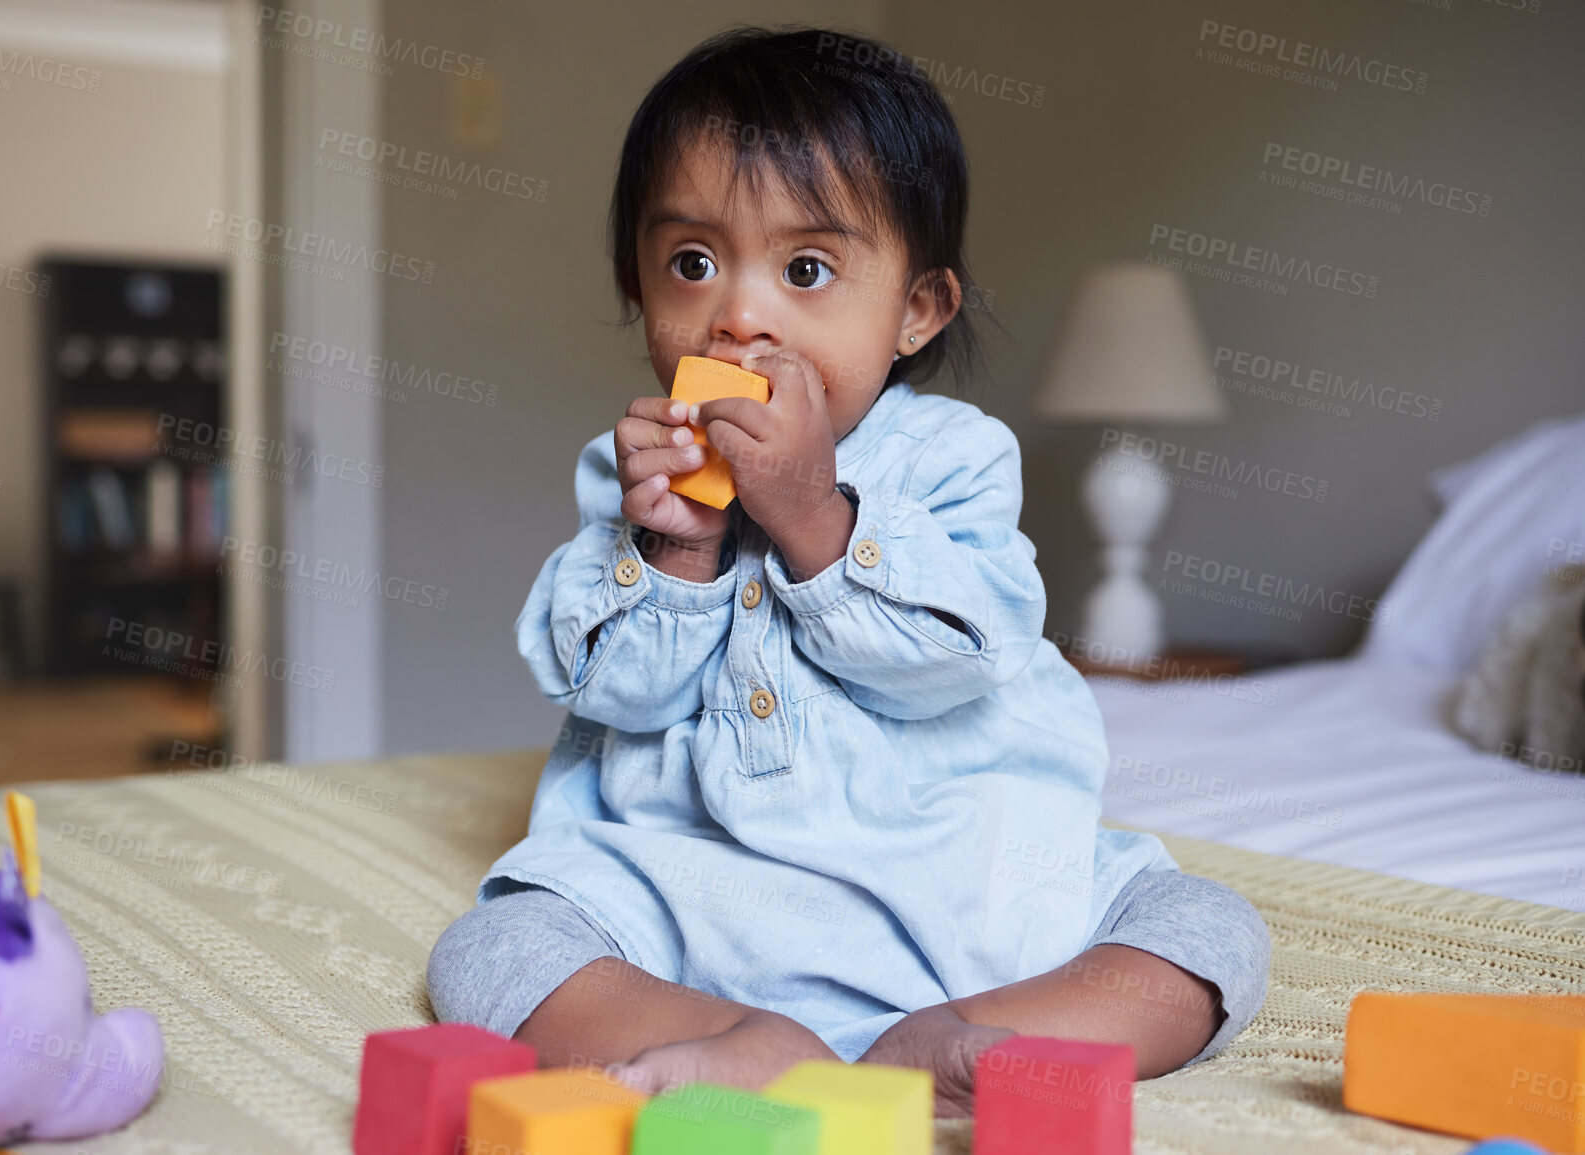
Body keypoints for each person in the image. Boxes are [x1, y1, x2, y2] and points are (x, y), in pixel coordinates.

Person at [428, 25, 1269, 1117]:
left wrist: (814, 514)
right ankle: (739, 1037)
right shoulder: (631, 474)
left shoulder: (955, 461)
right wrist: (676, 549)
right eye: (692, 262)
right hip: (692, 884)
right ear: (636, 284)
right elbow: (609, 692)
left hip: (957, 876)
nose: (739, 313)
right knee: (493, 943)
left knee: (1204, 933)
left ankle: (964, 1039)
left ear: (918, 310)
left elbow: (956, 661)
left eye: (808, 269)